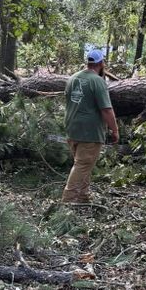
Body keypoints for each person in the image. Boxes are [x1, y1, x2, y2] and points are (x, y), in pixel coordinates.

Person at [61, 49, 119, 204]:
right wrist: (115, 130)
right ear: (101, 63)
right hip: (90, 132)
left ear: (88, 62)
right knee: (82, 165)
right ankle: (67, 201)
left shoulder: (72, 78)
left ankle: (82, 198)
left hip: (72, 129)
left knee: (83, 166)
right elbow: (106, 109)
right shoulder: (98, 81)